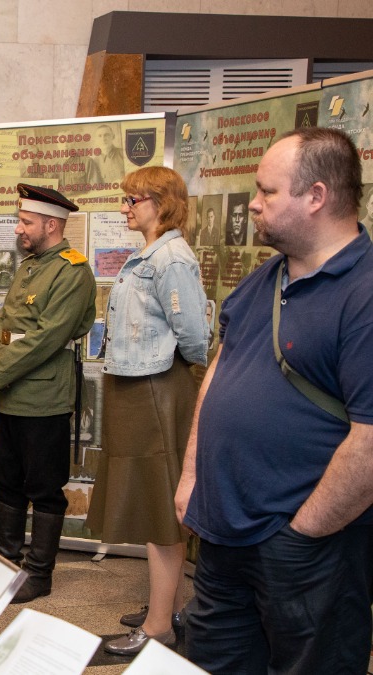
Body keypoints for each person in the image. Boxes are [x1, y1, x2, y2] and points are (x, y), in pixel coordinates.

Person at [177, 127, 373, 673]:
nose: (254, 205)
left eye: (267, 192)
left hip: (309, 548)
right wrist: (194, 476)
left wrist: (303, 532)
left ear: (316, 196)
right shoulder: (268, 274)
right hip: (224, 535)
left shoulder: (365, 293)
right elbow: (222, 366)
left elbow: (371, 442)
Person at [85, 167, 209, 655]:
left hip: (158, 387)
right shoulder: (150, 254)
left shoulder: (171, 257)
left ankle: (160, 627)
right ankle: (171, 607)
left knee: (161, 506)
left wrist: (174, 383)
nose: (124, 208)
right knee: (153, 501)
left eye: (132, 200)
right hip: (138, 385)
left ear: (161, 202)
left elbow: (196, 338)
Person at [0, 183, 96, 604]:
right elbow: (4, 323)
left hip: (44, 399)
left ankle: (38, 575)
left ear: (51, 223)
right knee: (6, 480)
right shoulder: (31, 265)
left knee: (43, 486)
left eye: (26, 222)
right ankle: (7, 561)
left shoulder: (72, 271)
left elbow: (47, 337)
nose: (17, 229)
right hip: (11, 394)